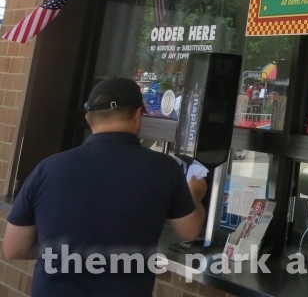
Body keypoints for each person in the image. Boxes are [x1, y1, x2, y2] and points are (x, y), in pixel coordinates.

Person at [2, 77, 207, 296]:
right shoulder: (164, 168)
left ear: (88, 119)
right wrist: (195, 193)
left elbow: (14, 249)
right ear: (138, 115)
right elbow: (189, 231)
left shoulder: (47, 169)